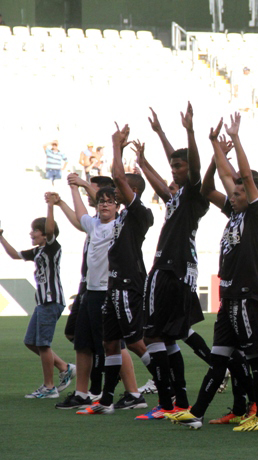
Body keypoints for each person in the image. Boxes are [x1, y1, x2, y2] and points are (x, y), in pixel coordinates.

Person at [168, 113, 258, 432]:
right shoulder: (235, 212)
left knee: (255, 357)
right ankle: (197, 412)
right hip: (229, 296)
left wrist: (236, 140)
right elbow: (211, 185)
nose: (233, 195)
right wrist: (215, 146)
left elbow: (242, 180)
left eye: (240, 192)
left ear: (252, 194)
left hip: (248, 294)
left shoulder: (256, 215)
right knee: (218, 357)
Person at [133, 102, 210, 420]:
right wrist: (146, 156)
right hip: (178, 269)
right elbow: (163, 183)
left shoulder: (194, 192)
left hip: (169, 269)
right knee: (167, 336)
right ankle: (177, 403)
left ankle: (167, 403)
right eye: (173, 167)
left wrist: (189, 131)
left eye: (179, 167)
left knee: (151, 335)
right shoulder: (179, 197)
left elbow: (189, 165)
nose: (174, 171)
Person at [75, 124, 153, 414]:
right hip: (113, 287)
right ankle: (107, 401)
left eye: (119, 192)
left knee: (134, 342)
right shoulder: (118, 219)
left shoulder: (138, 214)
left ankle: (169, 394)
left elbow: (118, 177)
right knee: (110, 343)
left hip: (126, 286)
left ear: (131, 191)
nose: (113, 197)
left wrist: (115, 146)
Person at [0, 201, 72, 399]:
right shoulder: (37, 251)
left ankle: (49, 387)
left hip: (51, 300)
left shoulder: (52, 247)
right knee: (31, 342)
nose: (31, 234)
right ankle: (64, 367)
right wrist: (0, 237)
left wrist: (51, 206)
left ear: (45, 233)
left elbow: (51, 227)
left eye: (34, 231)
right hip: (43, 303)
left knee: (43, 344)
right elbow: (14, 255)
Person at [55, 175, 115, 409]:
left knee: (110, 345)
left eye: (109, 201)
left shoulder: (118, 225)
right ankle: (81, 393)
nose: (103, 204)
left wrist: (82, 184)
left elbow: (101, 201)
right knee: (81, 342)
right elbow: (81, 215)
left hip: (106, 291)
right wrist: (73, 189)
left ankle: (108, 392)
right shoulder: (95, 224)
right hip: (90, 291)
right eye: (101, 202)